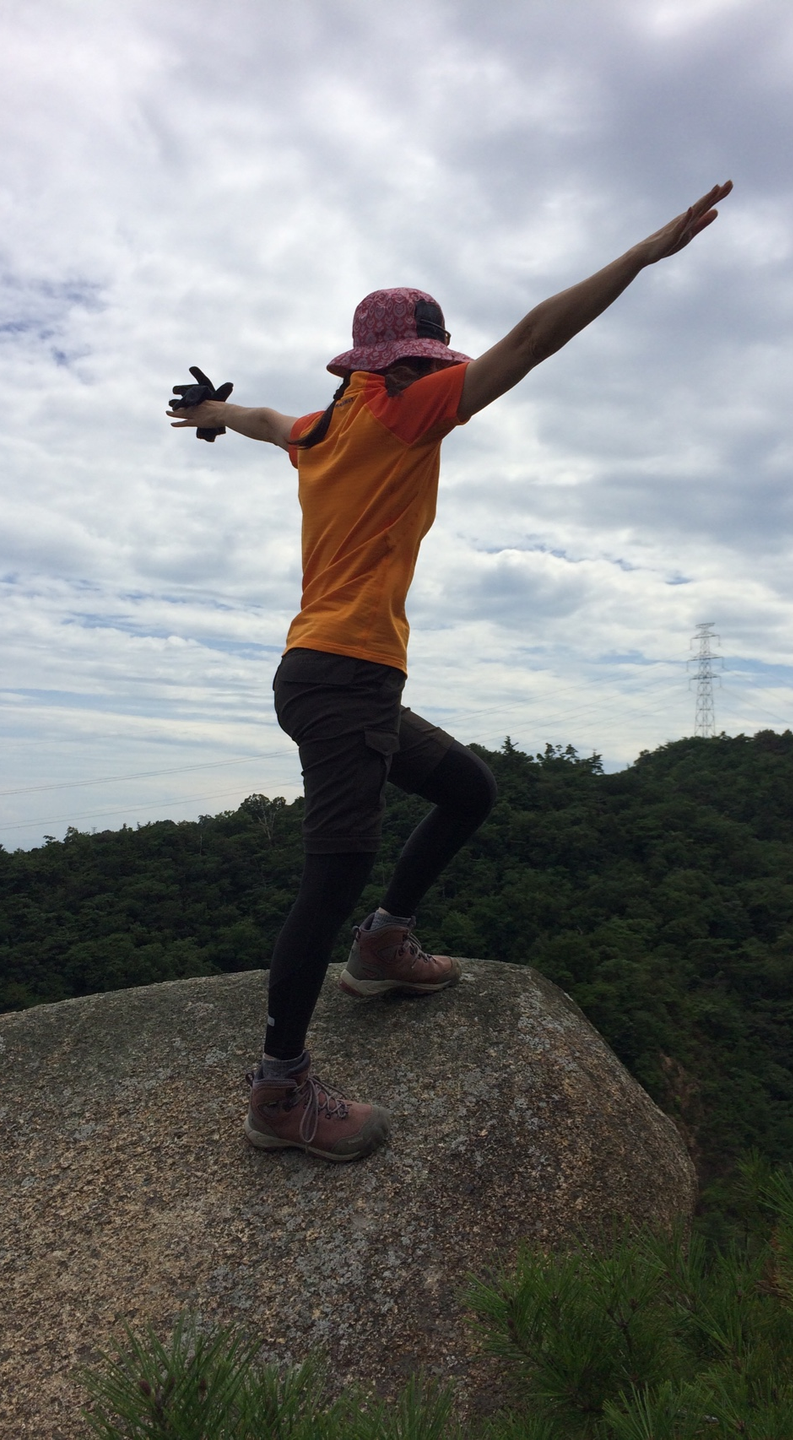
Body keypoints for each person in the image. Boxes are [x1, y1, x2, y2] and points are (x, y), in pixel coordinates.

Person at [168, 181, 733, 1163]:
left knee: (468, 789)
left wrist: (213, 410)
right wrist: (642, 256)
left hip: (340, 676)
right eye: (428, 362)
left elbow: (261, 417)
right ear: (402, 365)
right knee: (332, 873)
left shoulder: (323, 428)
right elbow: (531, 339)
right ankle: (279, 1089)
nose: (440, 375)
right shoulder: (405, 412)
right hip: (340, 677)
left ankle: (385, 943)